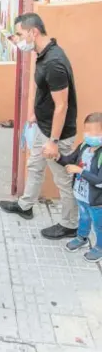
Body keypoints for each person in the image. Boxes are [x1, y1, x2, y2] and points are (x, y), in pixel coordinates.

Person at [0, 13, 78, 240]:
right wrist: (34, 113)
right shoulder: (43, 54)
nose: (18, 39)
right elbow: (45, 92)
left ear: (33, 32)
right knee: (34, 166)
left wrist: (53, 142)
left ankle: (69, 224)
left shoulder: (54, 62)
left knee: (63, 179)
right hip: (43, 127)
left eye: (20, 34)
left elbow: (62, 105)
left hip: (56, 135)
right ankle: (26, 206)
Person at [50, 112, 102, 262]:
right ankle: (82, 237)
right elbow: (70, 160)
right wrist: (58, 157)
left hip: (97, 201)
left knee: (99, 225)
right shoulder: (84, 146)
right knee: (84, 217)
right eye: (88, 131)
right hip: (81, 195)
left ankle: (99, 247)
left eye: (96, 133)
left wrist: (80, 171)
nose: (91, 136)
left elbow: (99, 181)